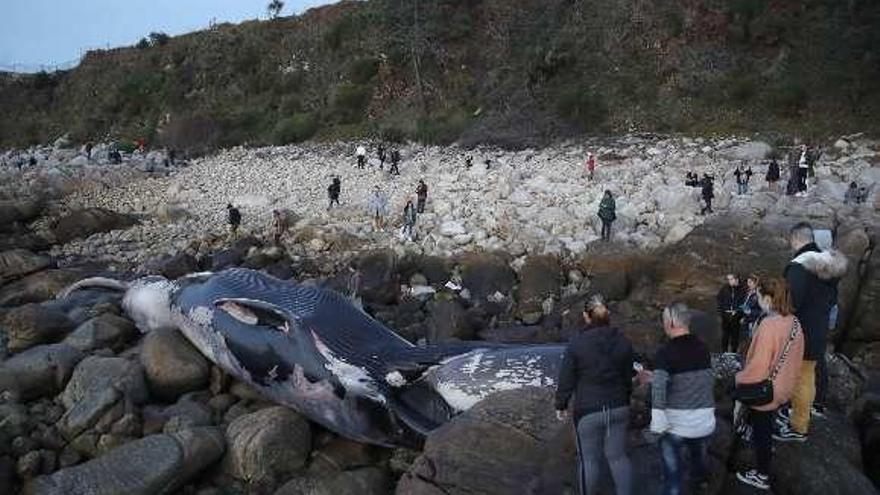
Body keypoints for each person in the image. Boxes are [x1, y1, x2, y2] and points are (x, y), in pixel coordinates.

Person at [555, 295, 636, 495]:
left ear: (586, 316)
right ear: (607, 315)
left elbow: (567, 378)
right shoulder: (623, 341)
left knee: (589, 461)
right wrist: (625, 397)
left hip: (588, 411)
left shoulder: (577, 344)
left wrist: (561, 404)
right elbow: (628, 377)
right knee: (618, 457)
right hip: (619, 406)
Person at [775, 223, 848, 442]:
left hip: (800, 331)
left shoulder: (800, 266)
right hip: (818, 328)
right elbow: (830, 299)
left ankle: (798, 426)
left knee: (801, 378)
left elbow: (792, 301)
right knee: (807, 376)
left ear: (795, 239)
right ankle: (800, 416)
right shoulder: (828, 264)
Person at [735, 278, 805, 491]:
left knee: (762, 433)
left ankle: (762, 474)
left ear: (767, 298)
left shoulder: (768, 325)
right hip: (785, 386)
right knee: (766, 423)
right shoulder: (794, 322)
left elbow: (758, 366)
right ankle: (759, 441)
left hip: (767, 390)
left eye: (758, 296)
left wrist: (739, 379)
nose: (757, 300)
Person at [649, 302, 716, 495]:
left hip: (677, 427)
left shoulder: (665, 352)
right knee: (699, 458)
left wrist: (657, 423)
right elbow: (696, 380)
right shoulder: (703, 348)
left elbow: (660, 388)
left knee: (673, 479)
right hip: (705, 423)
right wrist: (657, 376)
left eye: (663, 321)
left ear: (670, 322)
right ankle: (700, 482)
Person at [717, 274, 747, 353]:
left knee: (735, 335)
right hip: (726, 315)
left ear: (736, 279)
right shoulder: (724, 288)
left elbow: (744, 303)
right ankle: (724, 352)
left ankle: (733, 352)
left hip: (736, 316)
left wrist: (739, 312)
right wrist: (721, 311)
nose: (729, 281)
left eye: (731, 279)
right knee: (725, 335)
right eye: (728, 279)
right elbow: (719, 300)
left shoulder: (742, 289)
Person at [741, 274, 762, 340]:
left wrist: (750, 312)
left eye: (750, 282)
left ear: (755, 283)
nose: (748, 284)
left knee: (751, 340)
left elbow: (762, 311)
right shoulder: (747, 292)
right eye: (747, 282)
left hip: (753, 323)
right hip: (745, 321)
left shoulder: (759, 295)